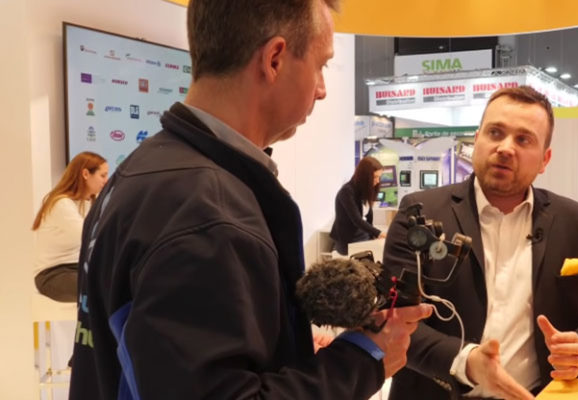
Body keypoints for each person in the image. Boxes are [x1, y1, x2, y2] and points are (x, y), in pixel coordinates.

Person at [68, 0, 432, 398]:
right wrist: (363, 359)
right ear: (274, 59)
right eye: (321, 65)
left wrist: (282, 348)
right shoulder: (207, 213)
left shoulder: (142, 170)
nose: (323, 90)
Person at [383, 86, 578, 399]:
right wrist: (467, 361)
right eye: (495, 132)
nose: (505, 148)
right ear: (477, 140)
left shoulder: (577, 223)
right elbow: (394, 317)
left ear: (545, 159)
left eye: (523, 139)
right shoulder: (419, 213)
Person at [31, 151, 108, 302]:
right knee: (99, 288)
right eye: (103, 175)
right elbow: (89, 236)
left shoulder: (91, 202)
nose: (106, 181)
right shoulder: (61, 203)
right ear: (86, 174)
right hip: (53, 275)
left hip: (79, 268)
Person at [330, 156, 387, 255]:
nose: (378, 181)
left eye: (379, 177)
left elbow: (367, 216)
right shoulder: (347, 192)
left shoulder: (365, 190)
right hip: (348, 240)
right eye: (375, 177)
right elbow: (357, 220)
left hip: (363, 236)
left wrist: (372, 235)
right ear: (365, 177)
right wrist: (378, 233)